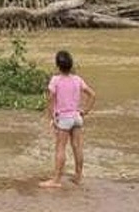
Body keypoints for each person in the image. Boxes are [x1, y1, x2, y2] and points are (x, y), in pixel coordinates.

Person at [40, 50, 96, 188]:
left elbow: (50, 100)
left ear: (57, 65)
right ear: (71, 65)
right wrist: (85, 111)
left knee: (60, 148)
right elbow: (92, 95)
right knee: (77, 147)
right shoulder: (77, 79)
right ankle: (78, 176)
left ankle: (56, 180)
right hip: (76, 117)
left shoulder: (55, 80)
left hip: (63, 119)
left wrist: (52, 117)